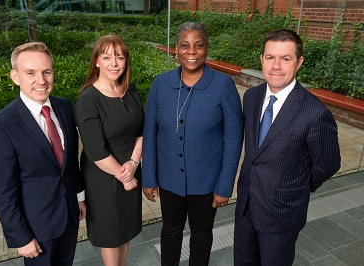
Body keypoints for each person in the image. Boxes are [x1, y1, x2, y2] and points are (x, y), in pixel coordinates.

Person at [234, 29, 341, 266]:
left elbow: (328, 164)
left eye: (285, 58)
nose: (276, 66)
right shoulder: (251, 97)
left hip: (281, 215)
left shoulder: (315, 113)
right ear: (261, 59)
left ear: (299, 62)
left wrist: (294, 186)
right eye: (270, 57)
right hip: (246, 207)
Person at [142, 21, 243, 266]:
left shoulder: (223, 86)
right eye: (185, 46)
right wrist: (149, 178)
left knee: (201, 234)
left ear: (207, 49)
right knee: (170, 230)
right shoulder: (160, 84)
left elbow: (233, 139)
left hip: (207, 182)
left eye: (198, 46)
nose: (191, 51)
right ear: (176, 49)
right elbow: (150, 133)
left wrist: (225, 185)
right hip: (168, 180)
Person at [0, 42, 86, 265]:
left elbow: (70, 162)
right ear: (15, 76)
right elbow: (2, 192)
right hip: (36, 229)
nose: (41, 80)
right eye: (30, 73)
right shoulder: (0, 126)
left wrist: (78, 197)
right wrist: (21, 237)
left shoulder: (64, 107)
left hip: (69, 216)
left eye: (46, 72)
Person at [76, 34, 144, 266]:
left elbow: (142, 132)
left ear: (126, 61)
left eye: (119, 57)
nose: (114, 63)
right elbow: (96, 151)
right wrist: (125, 176)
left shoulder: (130, 90)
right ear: (96, 61)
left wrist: (133, 164)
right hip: (104, 178)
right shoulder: (88, 99)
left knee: (124, 231)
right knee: (111, 235)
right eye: (106, 57)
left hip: (131, 171)